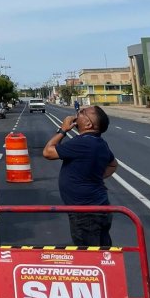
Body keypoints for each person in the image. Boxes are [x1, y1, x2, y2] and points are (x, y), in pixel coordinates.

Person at [43, 105, 118, 245]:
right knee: (103, 253)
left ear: (89, 124)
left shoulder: (82, 143)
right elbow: (113, 165)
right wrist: (93, 177)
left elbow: (48, 152)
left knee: (89, 256)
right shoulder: (101, 143)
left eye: (83, 112)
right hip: (100, 207)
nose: (78, 113)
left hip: (85, 212)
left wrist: (63, 129)